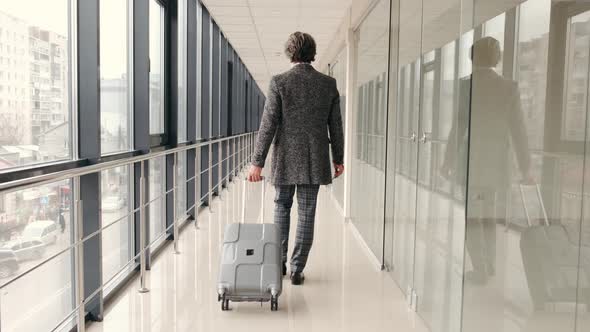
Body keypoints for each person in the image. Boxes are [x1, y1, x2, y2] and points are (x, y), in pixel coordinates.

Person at [248, 32, 345, 285]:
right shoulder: (328, 84)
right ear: (312, 53)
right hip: (315, 158)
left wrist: (257, 162)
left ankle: (278, 263)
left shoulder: (279, 82)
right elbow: (336, 125)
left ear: (290, 53)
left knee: (281, 206)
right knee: (307, 212)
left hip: (285, 157)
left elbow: (268, 125)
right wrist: (339, 158)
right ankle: (297, 269)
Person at [442, 36, 532, 284]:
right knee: (489, 216)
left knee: (473, 217)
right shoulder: (509, 87)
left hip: (471, 165)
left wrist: (447, 162)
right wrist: (526, 168)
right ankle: (490, 264)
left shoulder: (466, 87)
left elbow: (458, 128)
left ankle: (480, 268)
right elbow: (519, 130)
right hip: (497, 167)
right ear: (497, 58)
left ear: (473, 57)